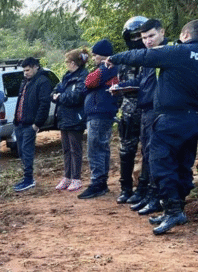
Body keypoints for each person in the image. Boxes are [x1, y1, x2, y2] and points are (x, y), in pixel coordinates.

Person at [106, 19, 198, 235]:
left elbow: (143, 56)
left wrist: (114, 58)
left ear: (186, 35)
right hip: (193, 119)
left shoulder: (179, 52)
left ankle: (172, 210)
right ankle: (178, 209)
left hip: (169, 119)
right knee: (183, 165)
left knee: (161, 164)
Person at [119, 18, 171, 216]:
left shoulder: (164, 54)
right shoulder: (145, 57)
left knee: (152, 154)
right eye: (143, 37)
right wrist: (121, 87)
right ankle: (138, 190)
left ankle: (152, 194)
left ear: (161, 33)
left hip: (156, 110)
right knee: (137, 151)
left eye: (151, 36)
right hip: (139, 109)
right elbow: (141, 80)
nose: (146, 40)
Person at [78, 39, 119, 199]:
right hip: (101, 112)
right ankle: (101, 182)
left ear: (102, 56)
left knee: (95, 149)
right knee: (101, 147)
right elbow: (86, 85)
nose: (93, 58)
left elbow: (89, 81)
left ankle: (98, 183)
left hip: (100, 112)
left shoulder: (108, 67)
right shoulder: (108, 68)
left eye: (95, 55)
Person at [115, 16, 148, 203]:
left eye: (139, 36)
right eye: (132, 36)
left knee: (148, 151)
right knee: (126, 151)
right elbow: (120, 86)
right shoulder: (125, 61)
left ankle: (143, 188)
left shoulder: (153, 57)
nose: (136, 40)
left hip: (148, 111)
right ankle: (125, 188)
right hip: (128, 113)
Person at [12, 57, 53, 192]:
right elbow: (21, 101)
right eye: (24, 71)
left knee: (27, 151)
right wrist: (15, 121)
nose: (25, 73)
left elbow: (44, 104)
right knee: (21, 151)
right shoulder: (25, 81)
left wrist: (37, 124)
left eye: (28, 70)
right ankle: (26, 178)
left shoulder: (43, 81)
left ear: (36, 67)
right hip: (19, 123)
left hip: (30, 124)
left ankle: (28, 179)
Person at [51, 48, 89, 192]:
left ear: (73, 63)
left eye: (67, 62)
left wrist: (60, 97)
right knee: (66, 149)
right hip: (64, 118)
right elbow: (55, 90)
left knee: (75, 149)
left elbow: (77, 96)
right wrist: (56, 95)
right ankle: (67, 176)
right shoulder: (66, 76)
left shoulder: (83, 76)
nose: (66, 64)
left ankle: (76, 178)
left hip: (76, 118)